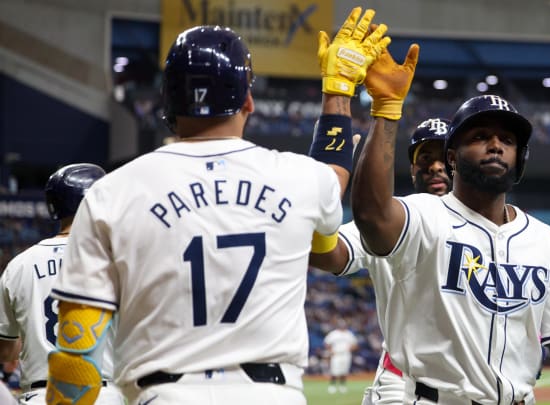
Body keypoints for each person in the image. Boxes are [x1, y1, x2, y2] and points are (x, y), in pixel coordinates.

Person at [45, 7, 390, 405]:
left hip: (164, 394)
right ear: (248, 100)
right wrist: (338, 88)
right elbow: (334, 172)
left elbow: (77, 355)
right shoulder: (299, 178)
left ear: (168, 104)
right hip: (271, 395)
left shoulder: (111, 192)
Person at [351, 43, 550, 405]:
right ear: (452, 158)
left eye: (507, 139)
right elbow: (372, 217)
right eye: (480, 137)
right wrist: (387, 111)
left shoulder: (545, 241)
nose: (495, 146)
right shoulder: (426, 215)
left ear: (520, 159)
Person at [314, 117, 452, 405]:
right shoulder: (388, 220)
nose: (436, 166)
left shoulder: (492, 227)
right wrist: (325, 189)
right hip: (403, 386)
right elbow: (327, 254)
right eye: (425, 158)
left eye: (445, 157)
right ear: (413, 170)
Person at [0, 164, 125, 405]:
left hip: (41, 395)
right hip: (102, 394)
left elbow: (5, 352)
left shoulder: (20, 265)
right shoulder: (115, 257)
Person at [323, 319, 358, 394]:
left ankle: (342, 386)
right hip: (336, 354)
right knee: (334, 370)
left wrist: (350, 348)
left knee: (344, 371)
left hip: (346, 354)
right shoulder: (334, 334)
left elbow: (355, 345)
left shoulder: (349, 334)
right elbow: (326, 343)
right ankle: (332, 386)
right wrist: (331, 350)